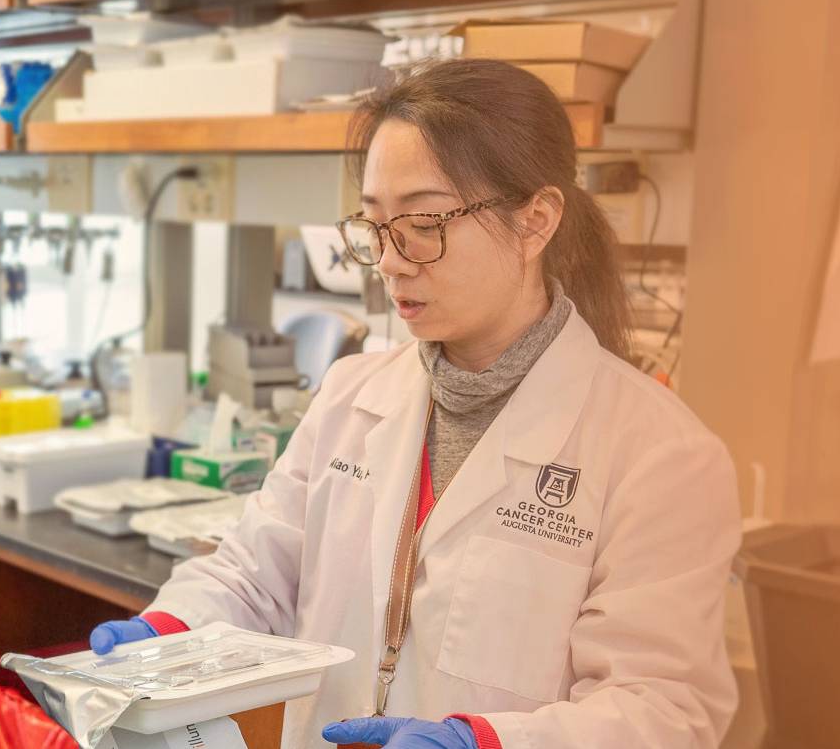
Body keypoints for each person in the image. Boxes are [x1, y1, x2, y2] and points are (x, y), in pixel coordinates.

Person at [89, 59, 741, 749]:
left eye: (423, 222)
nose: (391, 260)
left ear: (537, 220)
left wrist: (482, 742)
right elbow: (255, 575)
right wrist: (167, 631)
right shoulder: (351, 394)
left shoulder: (660, 452)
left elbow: (664, 709)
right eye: (375, 224)